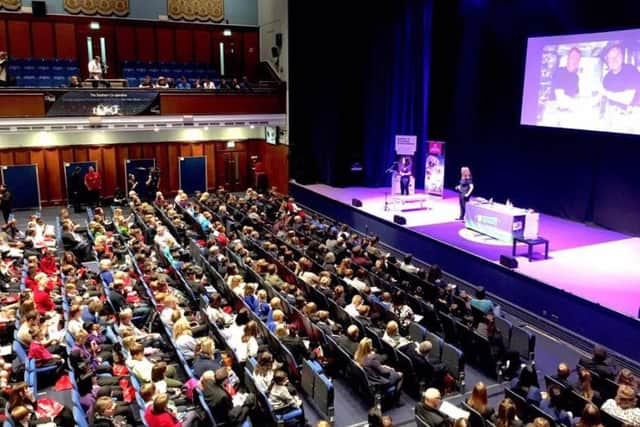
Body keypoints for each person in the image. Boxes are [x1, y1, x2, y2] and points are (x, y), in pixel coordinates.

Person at [601, 44, 640, 108]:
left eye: (617, 55)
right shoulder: (606, 79)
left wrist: (604, 93)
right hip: (616, 113)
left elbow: (627, 99)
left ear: (622, 57)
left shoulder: (631, 70)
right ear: (606, 61)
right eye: (610, 57)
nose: (614, 59)